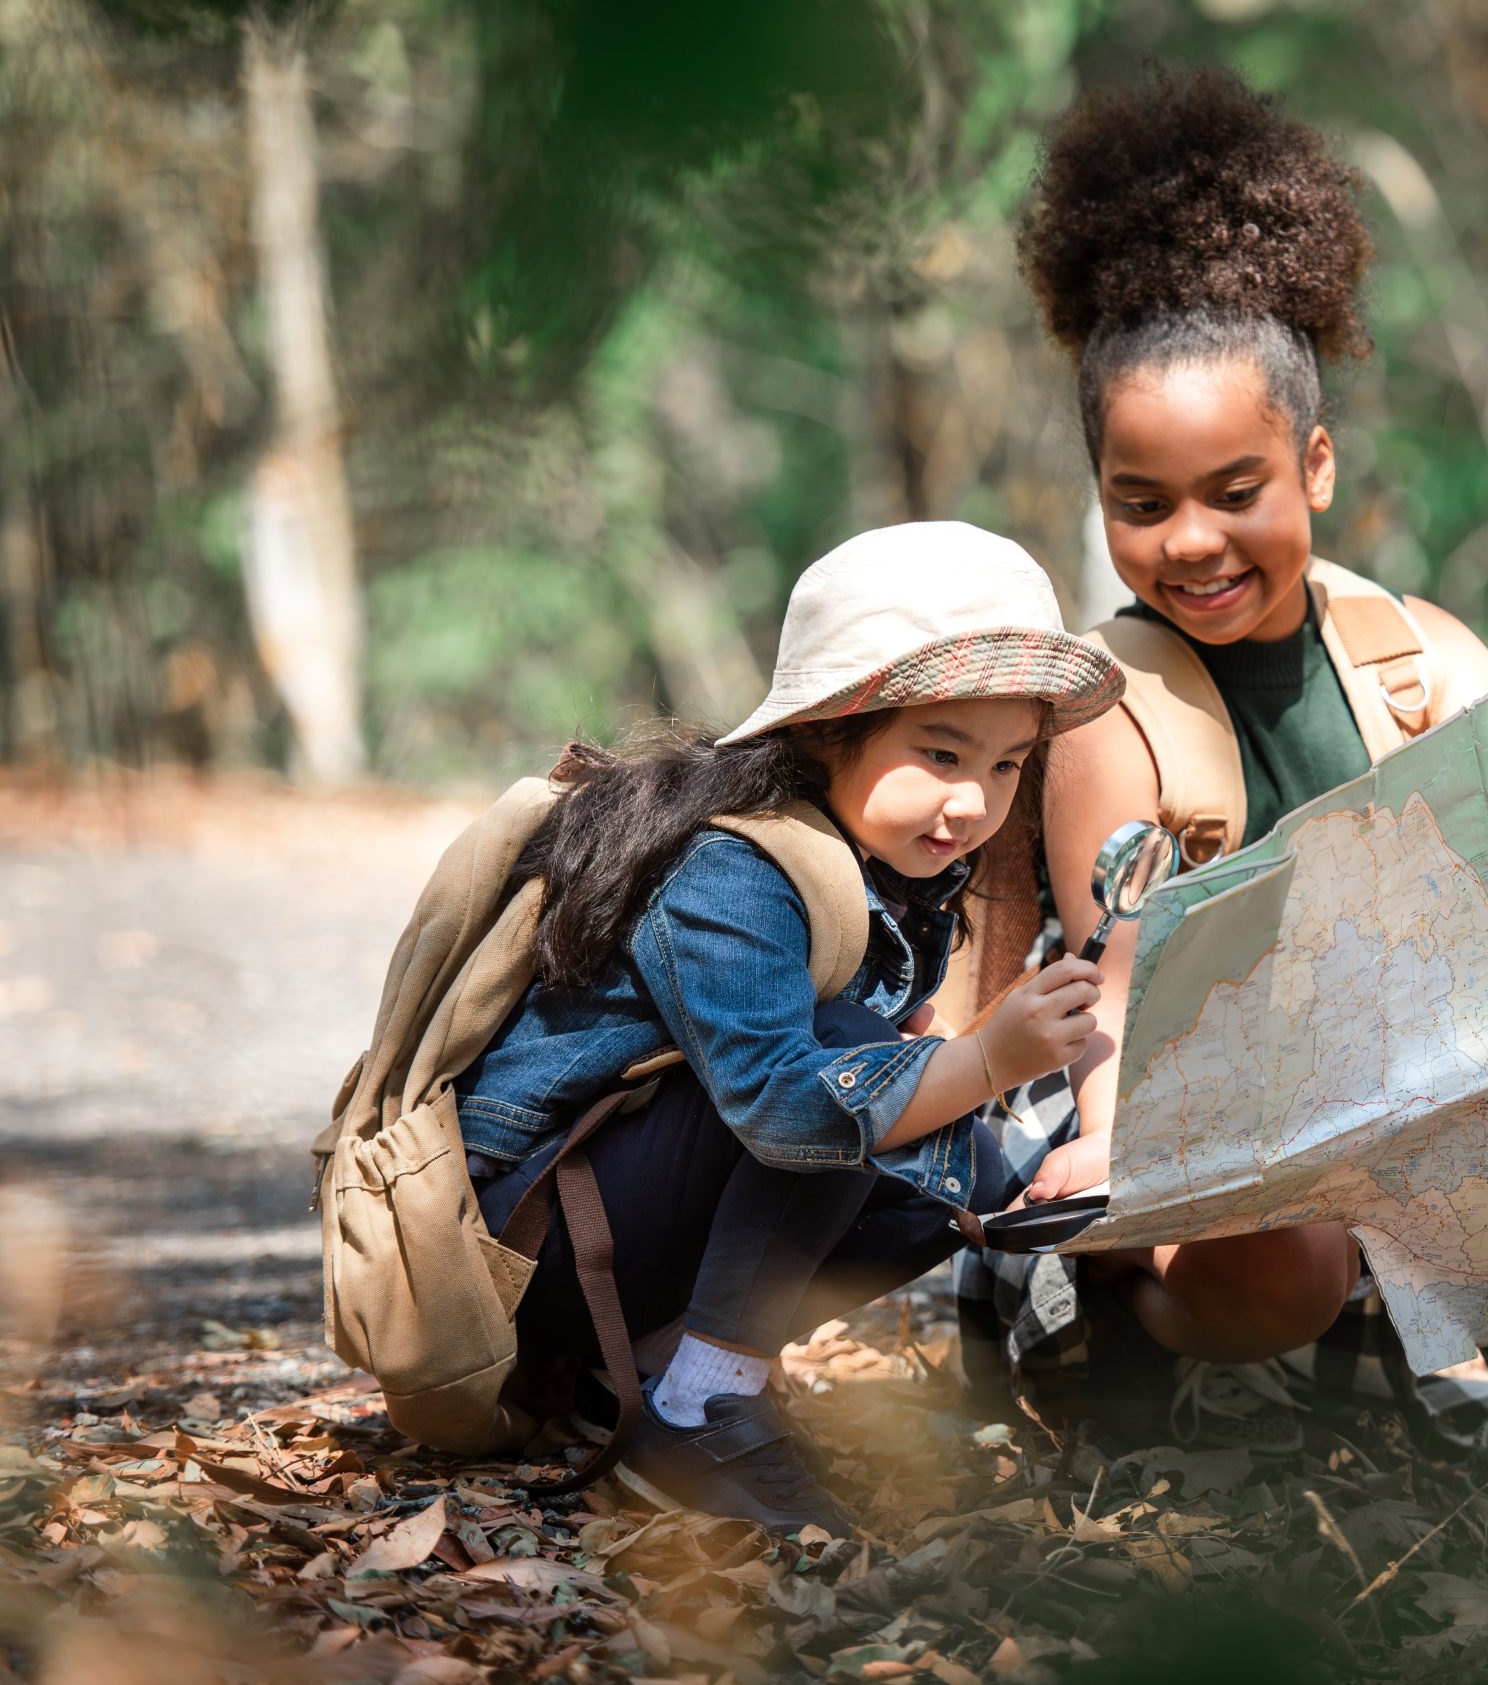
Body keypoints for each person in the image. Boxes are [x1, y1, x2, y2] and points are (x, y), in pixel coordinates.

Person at [997, 70, 1488, 1544]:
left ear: (1316, 465)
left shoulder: (1417, 658)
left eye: (1235, 489)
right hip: (1205, 1140)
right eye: (1142, 503)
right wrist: (1110, 1143)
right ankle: (1199, 1364)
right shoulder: (1108, 700)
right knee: (1282, 1242)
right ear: (1098, 494)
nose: (1192, 540)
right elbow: (1123, 997)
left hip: (1404, 1107)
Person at [457, 521, 1122, 1534]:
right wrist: (983, 1060)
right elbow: (781, 1109)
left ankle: (642, 1372)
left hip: (622, 1231)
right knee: (864, 1072)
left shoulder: (898, 865)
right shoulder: (735, 868)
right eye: (940, 752)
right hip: (528, 1249)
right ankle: (697, 1401)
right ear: (824, 729)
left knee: (965, 1181)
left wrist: (1012, 1152)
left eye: (1005, 766)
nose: (972, 801)